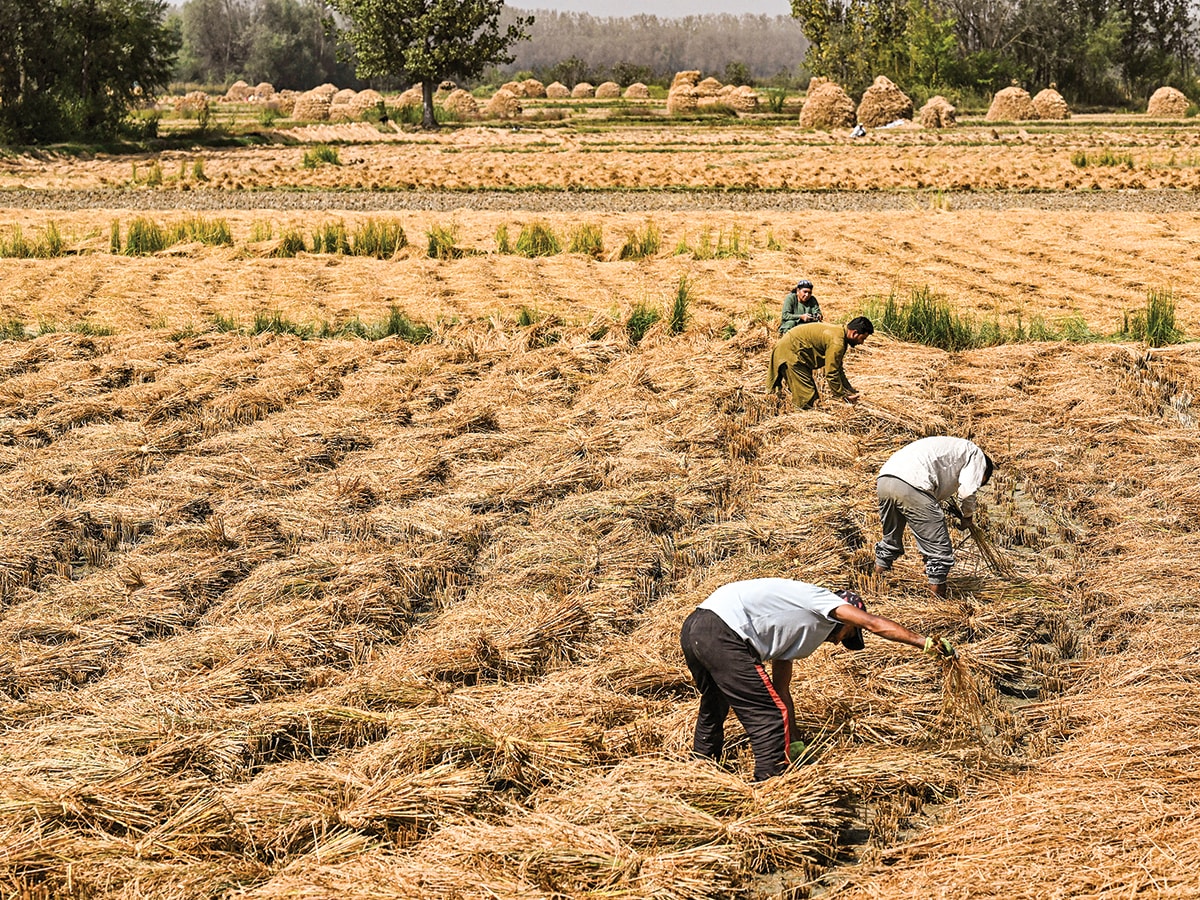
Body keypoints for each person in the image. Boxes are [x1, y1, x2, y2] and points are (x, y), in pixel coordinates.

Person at [680, 578, 955, 782]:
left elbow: (781, 690)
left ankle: (701, 769)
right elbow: (873, 623)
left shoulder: (793, 630)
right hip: (723, 631)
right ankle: (769, 786)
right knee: (768, 716)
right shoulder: (826, 601)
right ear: (848, 616)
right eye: (849, 635)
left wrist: (795, 743)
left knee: (715, 703)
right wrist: (924, 642)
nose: (838, 642)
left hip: (697, 627)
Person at [874, 436, 996, 597]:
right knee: (940, 553)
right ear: (985, 471)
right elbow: (967, 492)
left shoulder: (955, 448)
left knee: (890, 541)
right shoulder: (976, 455)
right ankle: (938, 602)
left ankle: (875, 586)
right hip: (913, 483)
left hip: (885, 479)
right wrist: (967, 516)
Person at [765, 317, 873, 409]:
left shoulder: (840, 334)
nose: (862, 343)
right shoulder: (837, 342)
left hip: (794, 351)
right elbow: (831, 373)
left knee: (808, 396)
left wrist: (849, 390)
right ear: (854, 333)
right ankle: (800, 422)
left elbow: (838, 369)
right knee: (807, 397)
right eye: (862, 338)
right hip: (791, 353)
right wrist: (841, 396)